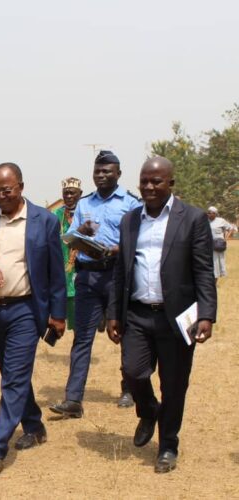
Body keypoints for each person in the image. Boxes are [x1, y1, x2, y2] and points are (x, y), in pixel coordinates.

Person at [106, 157, 216, 473]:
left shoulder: (193, 218)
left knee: (174, 384)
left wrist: (207, 314)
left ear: (171, 183)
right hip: (137, 314)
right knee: (133, 372)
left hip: (178, 317)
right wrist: (114, 312)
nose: (149, 186)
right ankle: (148, 410)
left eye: (156, 181)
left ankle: (168, 445)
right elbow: (120, 271)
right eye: (144, 181)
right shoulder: (130, 220)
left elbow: (203, 270)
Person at [0, 163, 66, 474]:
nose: (1, 196)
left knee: (13, 379)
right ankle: (34, 426)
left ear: (21, 187)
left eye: (7, 190)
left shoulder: (44, 221)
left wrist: (58, 314)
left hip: (26, 310)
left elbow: (56, 271)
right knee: (13, 373)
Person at [49, 150, 141, 418]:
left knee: (123, 333)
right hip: (87, 277)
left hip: (117, 276)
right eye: (97, 171)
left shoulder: (131, 204)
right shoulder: (84, 204)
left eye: (106, 171)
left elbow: (137, 241)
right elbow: (70, 238)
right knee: (82, 338)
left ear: (118, 174)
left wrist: (116, 249)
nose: (101, 176)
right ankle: (73, 399)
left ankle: (128, 389)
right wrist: (82, 233)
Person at [51, 177, 83, 331]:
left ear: (80, 193)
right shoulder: (56, 214)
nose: (69, 196)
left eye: (72, 193)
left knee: (80, 321)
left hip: (81, 270)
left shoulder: (86, 213)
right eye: (66, 193)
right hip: (63, 270)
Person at [207, 206, 231, 283]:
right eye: (208, 212)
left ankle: (214, 282)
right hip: (208, 245)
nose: (208, 214)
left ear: (215, 214)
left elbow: (230, 229)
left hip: (218, 245)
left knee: (216, 264)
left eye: (210, 213)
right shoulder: (205, 221)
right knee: (208, 263)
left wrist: (225, 239)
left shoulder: (221, 221)